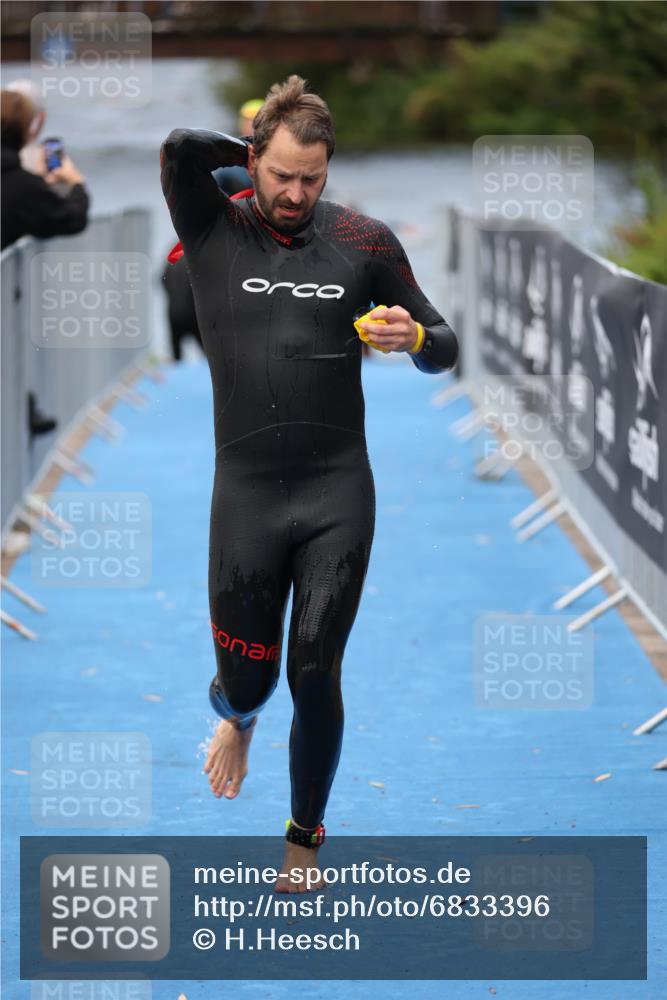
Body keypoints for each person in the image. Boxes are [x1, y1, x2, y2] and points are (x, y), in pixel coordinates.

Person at [160, 75, 458, 893]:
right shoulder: (210, 225)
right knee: (248, 683)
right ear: (254, 159)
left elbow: (446, 345)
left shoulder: (363, 241)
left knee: (316, 669)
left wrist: (413, 337)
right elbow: (180, 148)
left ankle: (303, 843)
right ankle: (238, 717)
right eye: (281, 174)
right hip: (246, 498)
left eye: (312, 179)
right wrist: (258, 135)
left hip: (337, 492)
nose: (295, 195)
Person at [162, 98, 263, 361]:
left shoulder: (277, 158)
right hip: (231, 224)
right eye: (248, 120)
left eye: (258, 121)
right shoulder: (231, 157)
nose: (252, 125)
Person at [1, 89, 89, 251]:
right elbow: (71, 219)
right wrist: (76, 182)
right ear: (26, 130)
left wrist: (37, 180)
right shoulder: (20, 185)